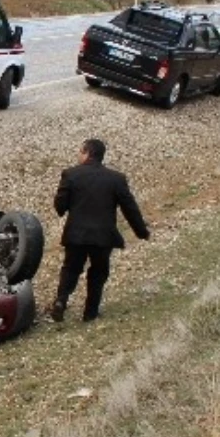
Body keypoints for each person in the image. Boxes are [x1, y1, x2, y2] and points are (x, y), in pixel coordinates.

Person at [50, 138, 150, 323]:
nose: (78, 155)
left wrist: (68, 203)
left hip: (76, 235)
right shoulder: (116, 179)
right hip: (103, 236)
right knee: (98, 272)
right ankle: (90, 312)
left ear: (87, 153)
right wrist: (141, 231)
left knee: (71, 268)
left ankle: (61, 300)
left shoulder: (70, 175)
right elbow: (130, 207)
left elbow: (59, 207)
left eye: (80, 151)